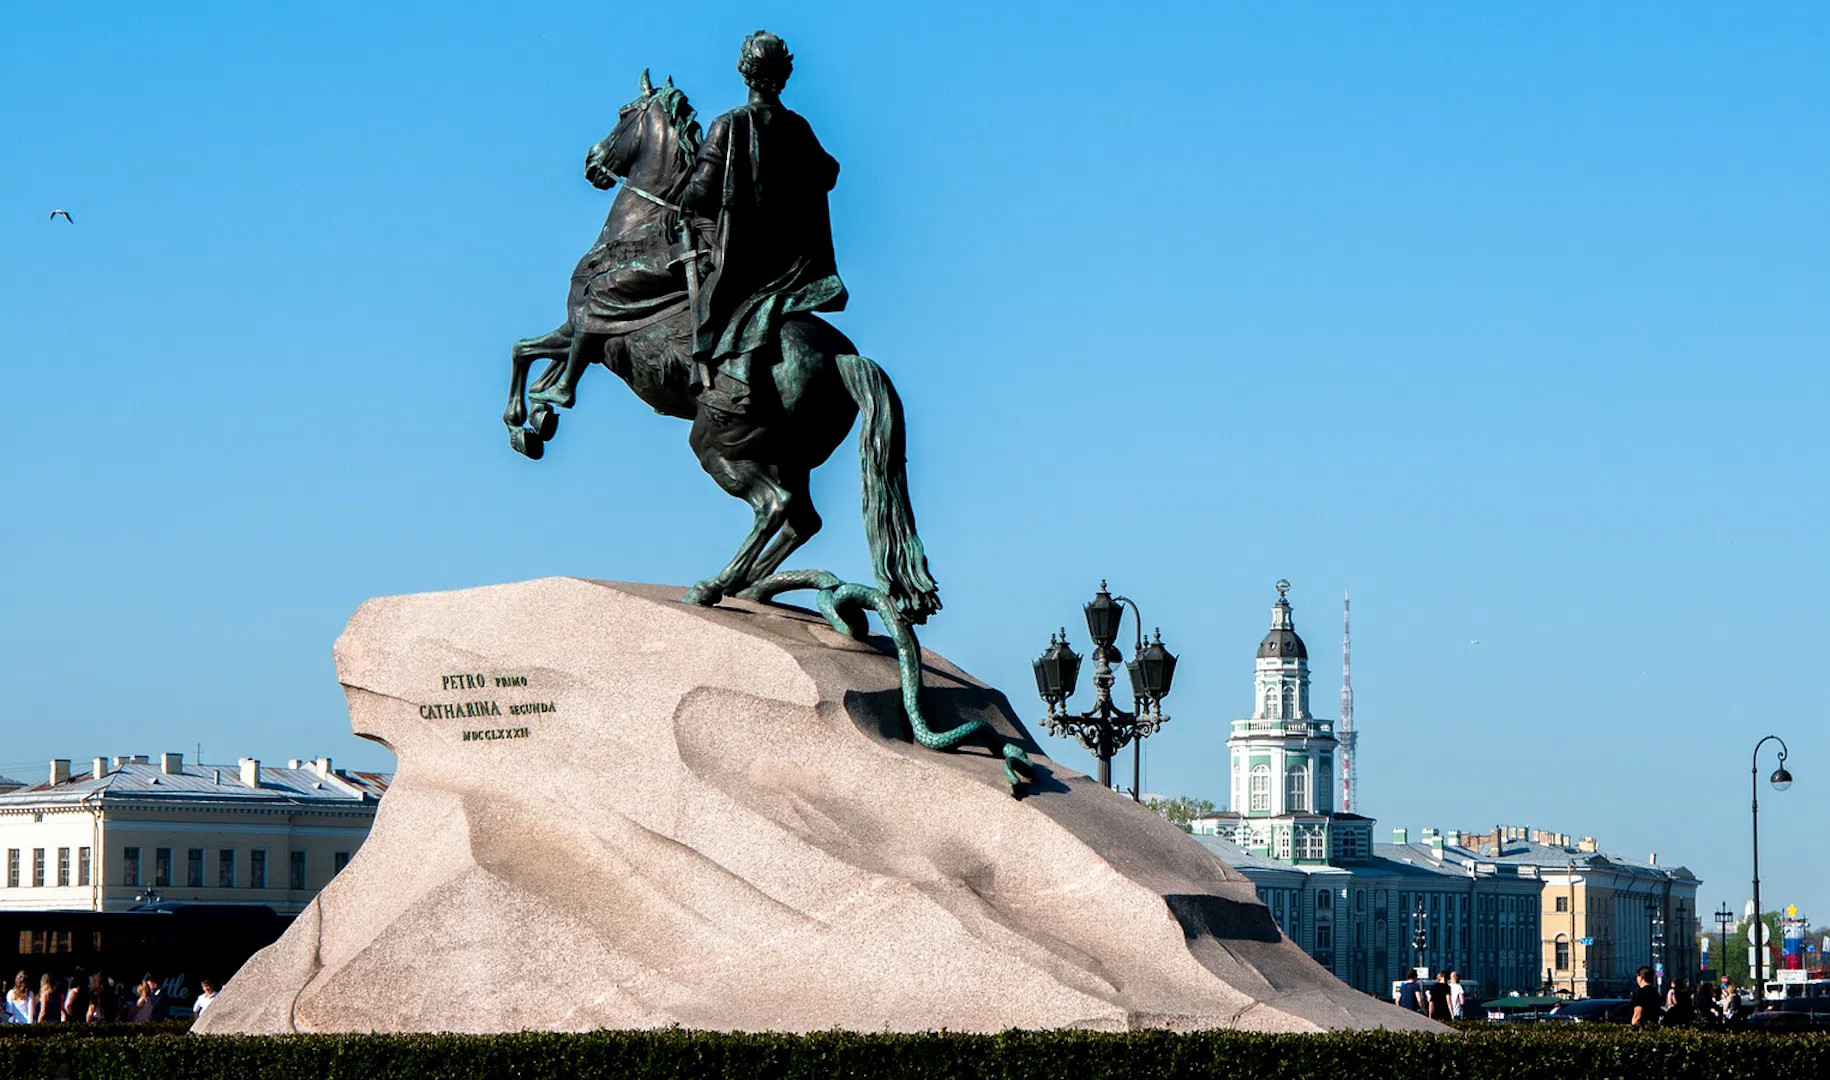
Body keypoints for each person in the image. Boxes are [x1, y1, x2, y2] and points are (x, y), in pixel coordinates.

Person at [677, 30, 846, 413]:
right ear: (784, 75)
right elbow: (829, 172)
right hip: (795, 265)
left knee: (703, 298)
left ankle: (706, 368)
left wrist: (685, 198)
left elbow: (701, 192)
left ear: (745, 72)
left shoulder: (728, 124)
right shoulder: (798, 127)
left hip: (745, 260)